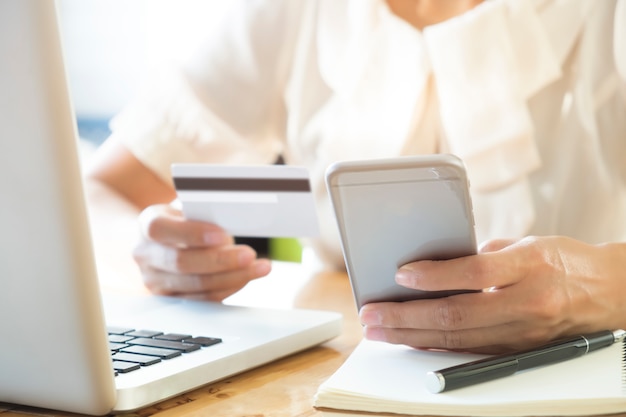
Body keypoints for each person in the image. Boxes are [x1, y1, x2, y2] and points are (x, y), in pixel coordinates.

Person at [86, 0, 626, 354]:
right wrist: (151, 254)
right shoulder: (293, 13)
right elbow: (102, 191)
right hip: (338, 368)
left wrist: (604, 286)